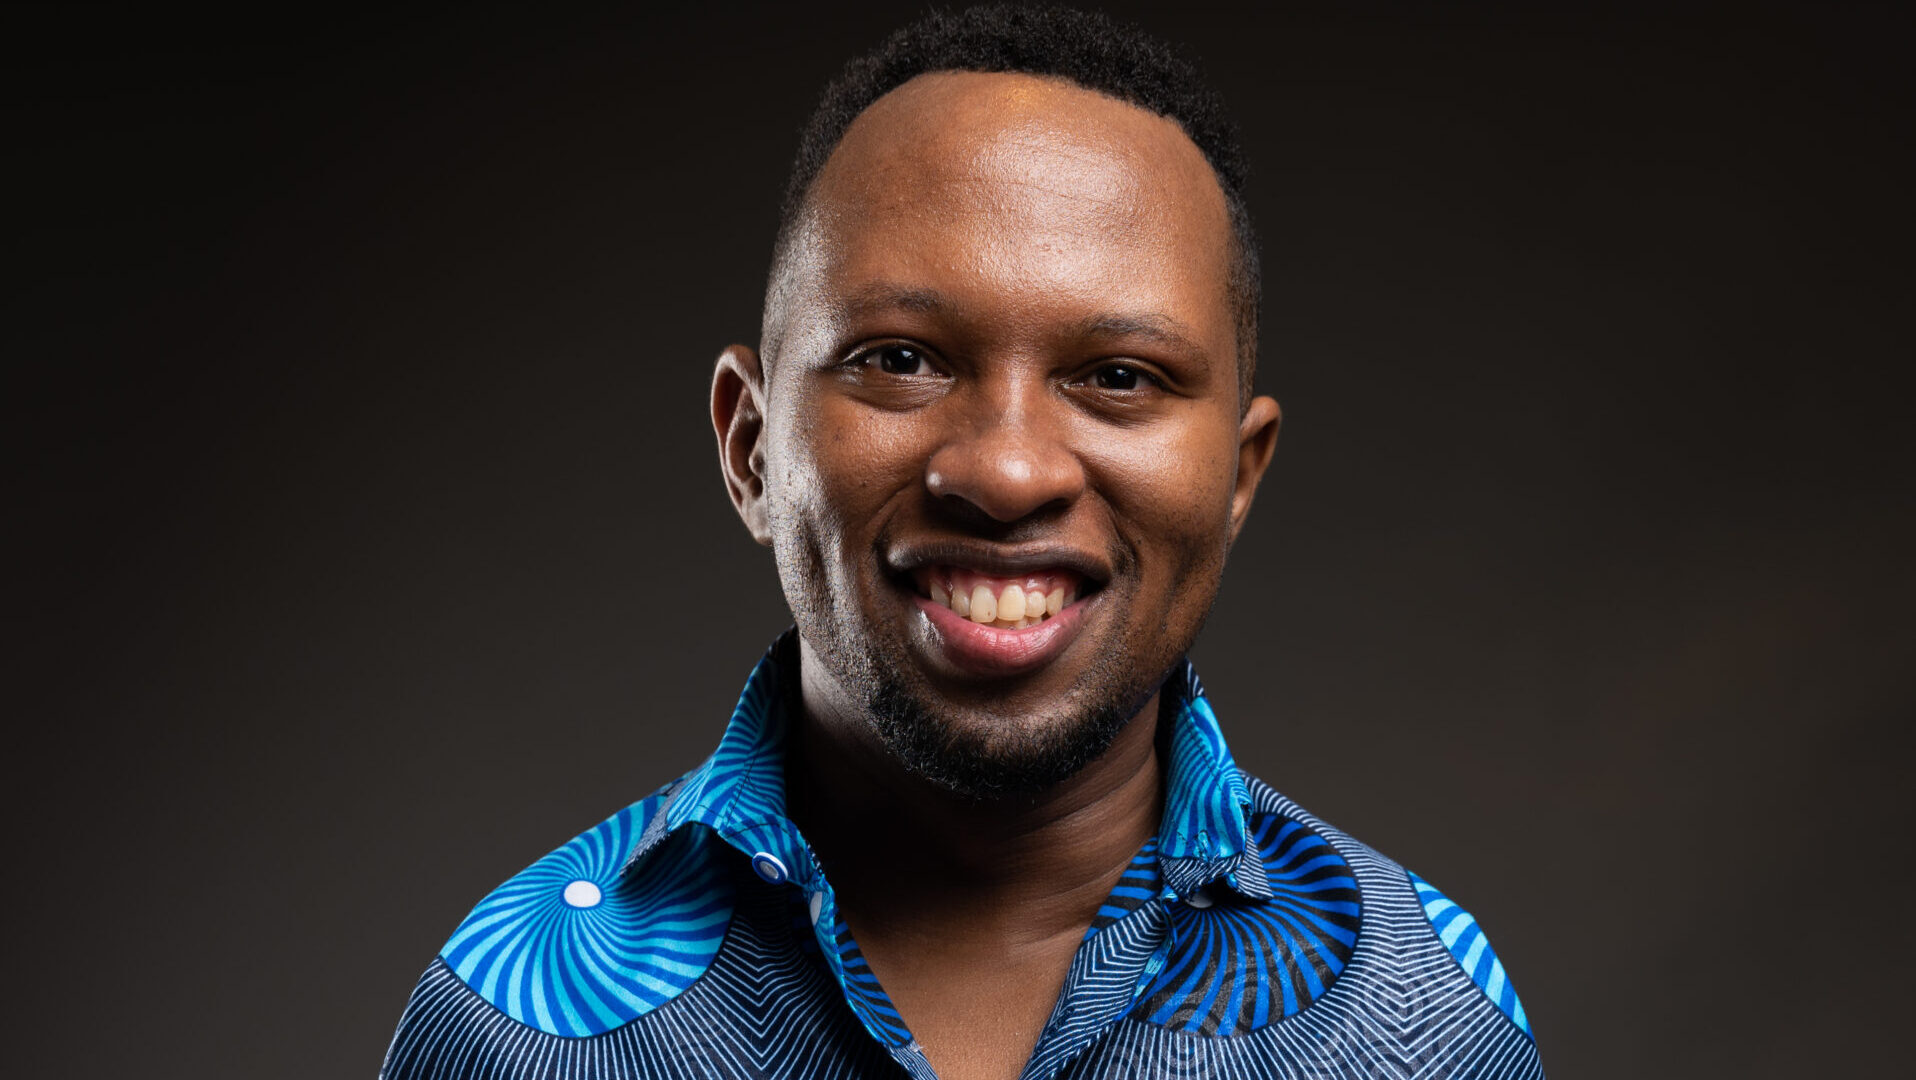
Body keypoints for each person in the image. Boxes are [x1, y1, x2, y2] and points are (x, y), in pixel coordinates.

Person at [381, 6, 1543, 1078]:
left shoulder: (1426, 1019)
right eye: (898, 359)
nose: (1005, 470)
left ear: (1236, 478)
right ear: (749, 448)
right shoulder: (511, 1026)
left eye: (1118, 377)